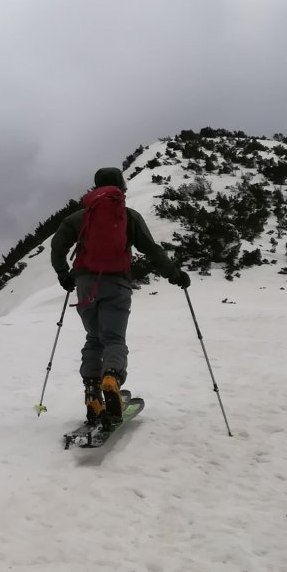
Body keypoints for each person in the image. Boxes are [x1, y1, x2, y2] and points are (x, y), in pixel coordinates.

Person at [50, 167, 190, 429]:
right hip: (116, 283)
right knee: (114, 339)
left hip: (85, 284)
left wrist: (63, 274)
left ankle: (92, 393)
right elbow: (151, 249)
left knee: (94, 338)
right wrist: (174, 274)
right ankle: (111, 378)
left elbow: (58, 245)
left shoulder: (80, 216)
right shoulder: (128, 216)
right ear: (121, 188)